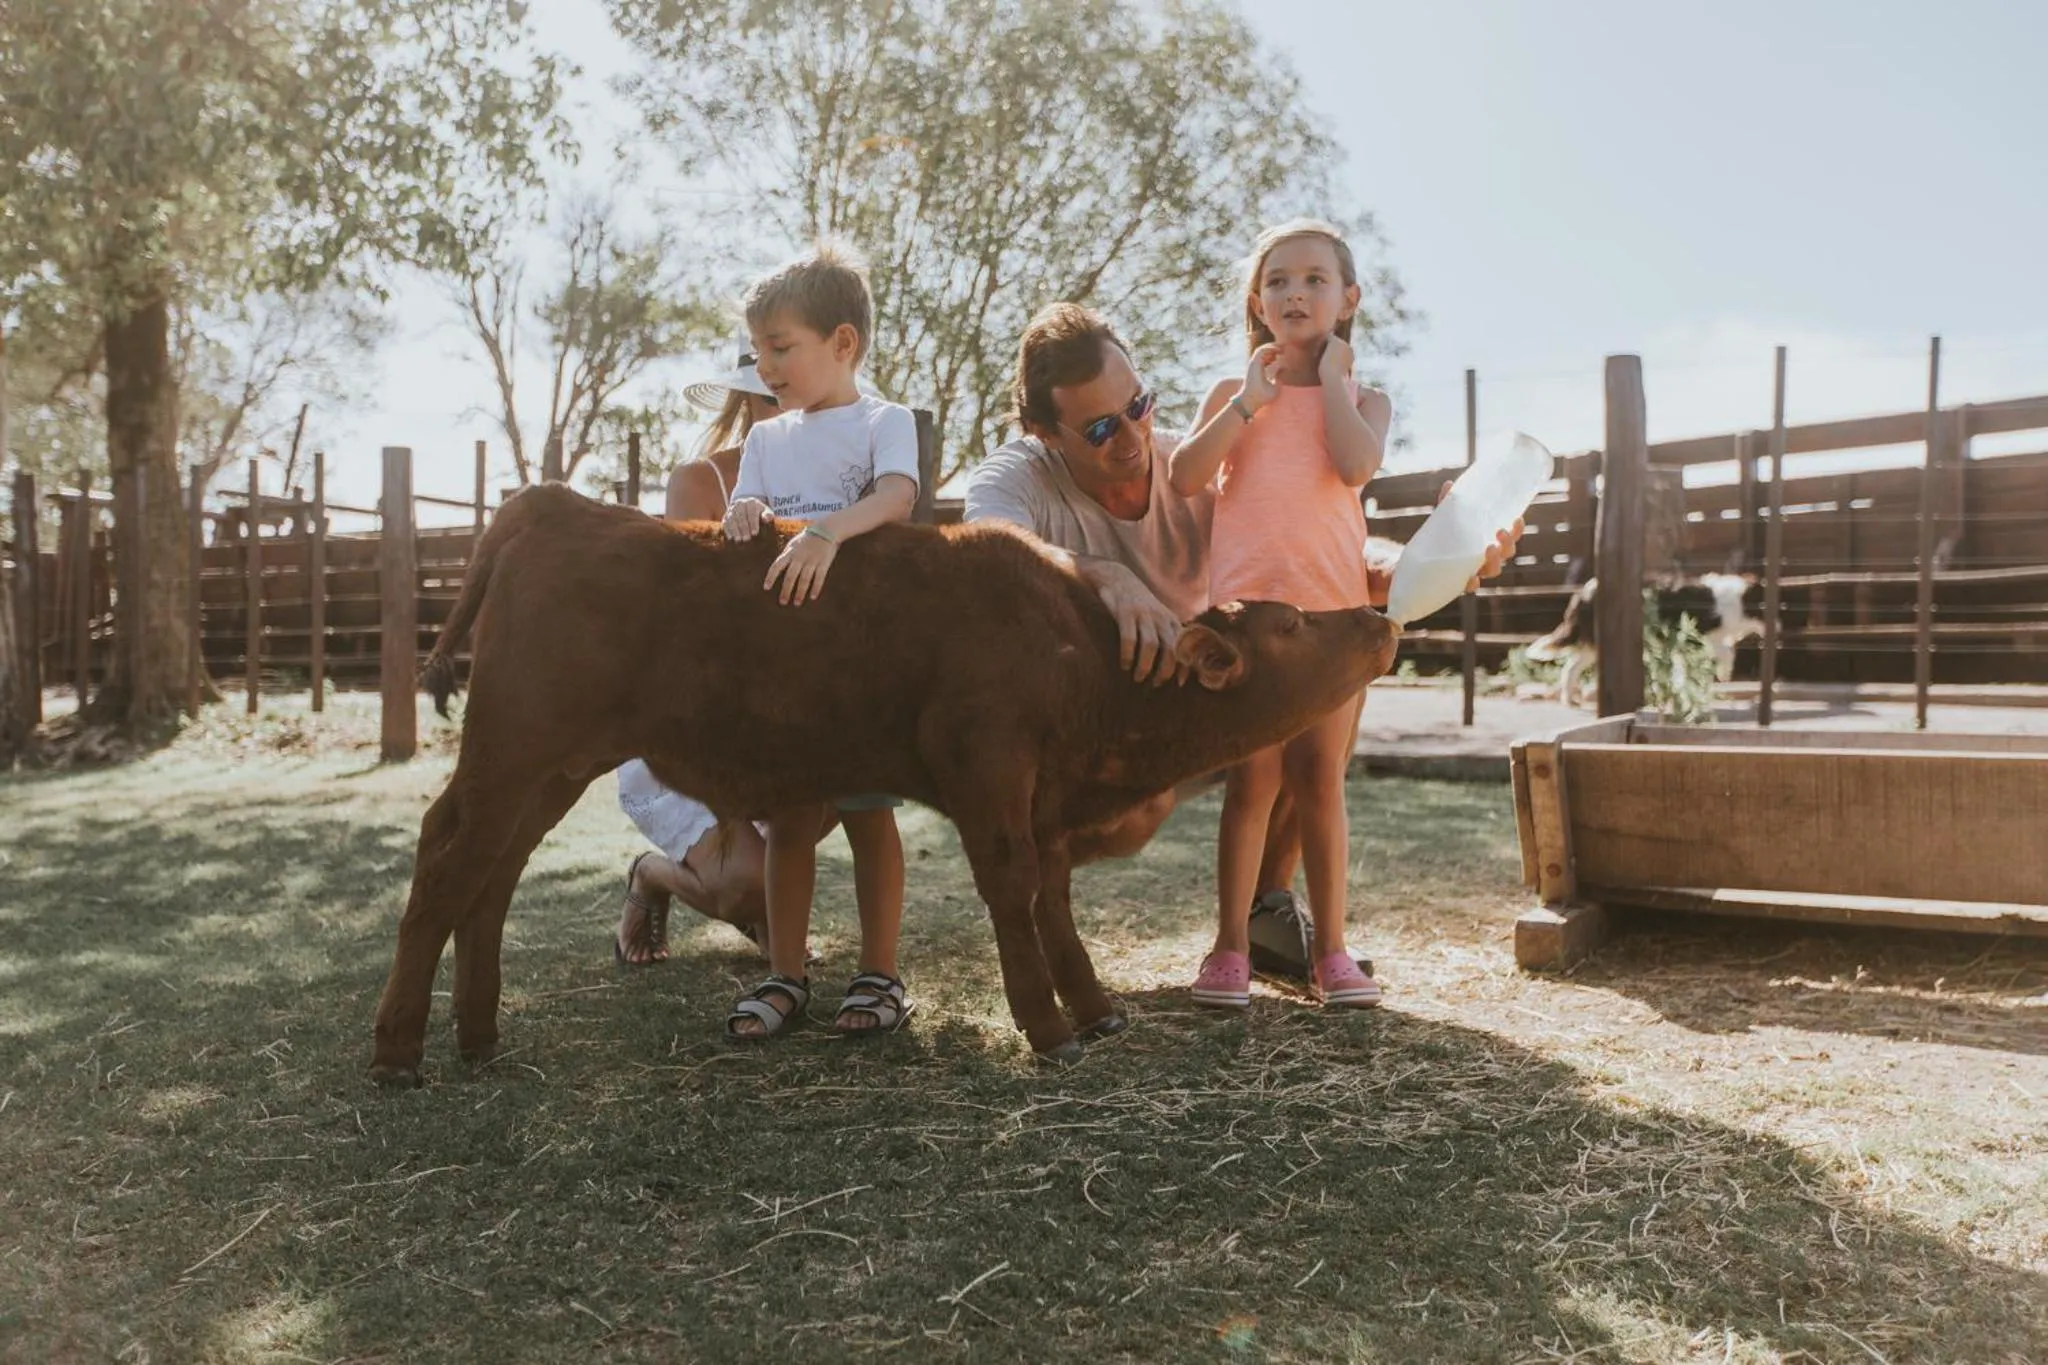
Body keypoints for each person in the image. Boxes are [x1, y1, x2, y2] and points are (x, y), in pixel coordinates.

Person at [964, 299, 1523, 991]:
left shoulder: (1195, 461)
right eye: (1101, 427)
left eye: (1138, 404)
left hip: (1202, 704)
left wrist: (1443, 559)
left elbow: (1316, 559)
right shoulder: (1016, 477)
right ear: (1043, 432)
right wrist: (1100, 575)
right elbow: (990, 556)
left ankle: (1267, 910)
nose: (1131, 437)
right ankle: (1038, 908)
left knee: (1315, 682)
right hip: (1094, 723)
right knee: (1129, 816)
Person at [1170, 218, 1384, 1009]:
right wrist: (1247, 408)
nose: (1297, 292)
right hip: (1249, 625)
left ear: (1349, 298)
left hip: (1333, 626)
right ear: (1257, 302)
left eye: (1316, 279)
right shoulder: (1234, 394)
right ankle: (1229, 948)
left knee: (1320, 783)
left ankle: (1332, 950)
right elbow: (1187, 476)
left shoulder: (1367, 399)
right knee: (1252, 784)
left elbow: (1357, 464)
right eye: (1280, 280)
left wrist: (1333, 382)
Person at [719, 243, 921, 1041]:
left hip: (863, 659)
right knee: (791, 821)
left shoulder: (885, 420)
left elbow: (899, 497)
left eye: (781, 347)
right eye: (758, 349)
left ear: (843, 343)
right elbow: (746, 505)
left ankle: (879, 971)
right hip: (788, 667)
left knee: (869, 815)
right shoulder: (768, 439)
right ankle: (787, 974)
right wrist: (743, 515)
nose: (765, 365)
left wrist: (826, 533)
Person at [611, 348, 790, 968]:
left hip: (790, 710)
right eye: (775, 391)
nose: (795, 404)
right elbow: (684, 623)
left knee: (831, 804)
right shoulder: (701, 481)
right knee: (742, 884)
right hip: (700, 718)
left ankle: (766, 909)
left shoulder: (837, 485)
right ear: (749, 402)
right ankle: (653, 876)